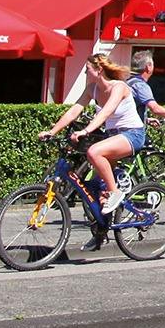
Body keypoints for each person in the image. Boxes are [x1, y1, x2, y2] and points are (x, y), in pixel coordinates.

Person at [42, 54, 145, 242]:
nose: (84, 73)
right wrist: (53, 131)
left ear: (98, 70)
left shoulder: (119, 87)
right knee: (94, 188)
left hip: (132, 134)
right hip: (113, 136)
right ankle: (101, 231)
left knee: (94, 151)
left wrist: (86, 130)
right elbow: (74, 110)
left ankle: (115, 192)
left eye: (87, 69)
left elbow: (107, 111)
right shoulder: (92, 89)